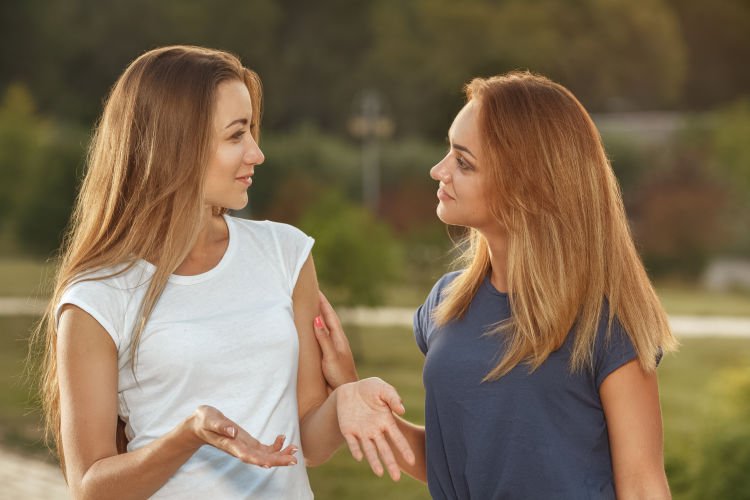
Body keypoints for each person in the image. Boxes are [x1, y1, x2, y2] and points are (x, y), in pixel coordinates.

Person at [31, 45, 414, 499]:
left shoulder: (285, 253)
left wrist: (346, 398)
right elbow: (91, 487)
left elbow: (307, 442)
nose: (256, 153)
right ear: (175, 146)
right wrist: (189, 435)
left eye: (251, 131)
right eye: (236, 136)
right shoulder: (98, 296)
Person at [313, 71, 678, 499]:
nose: (439, 170)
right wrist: (351, 391)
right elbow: (458, 460)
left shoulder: (606, 322)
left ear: (528, 187)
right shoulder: (446, 305)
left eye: (463, 162)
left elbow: (642, 486)